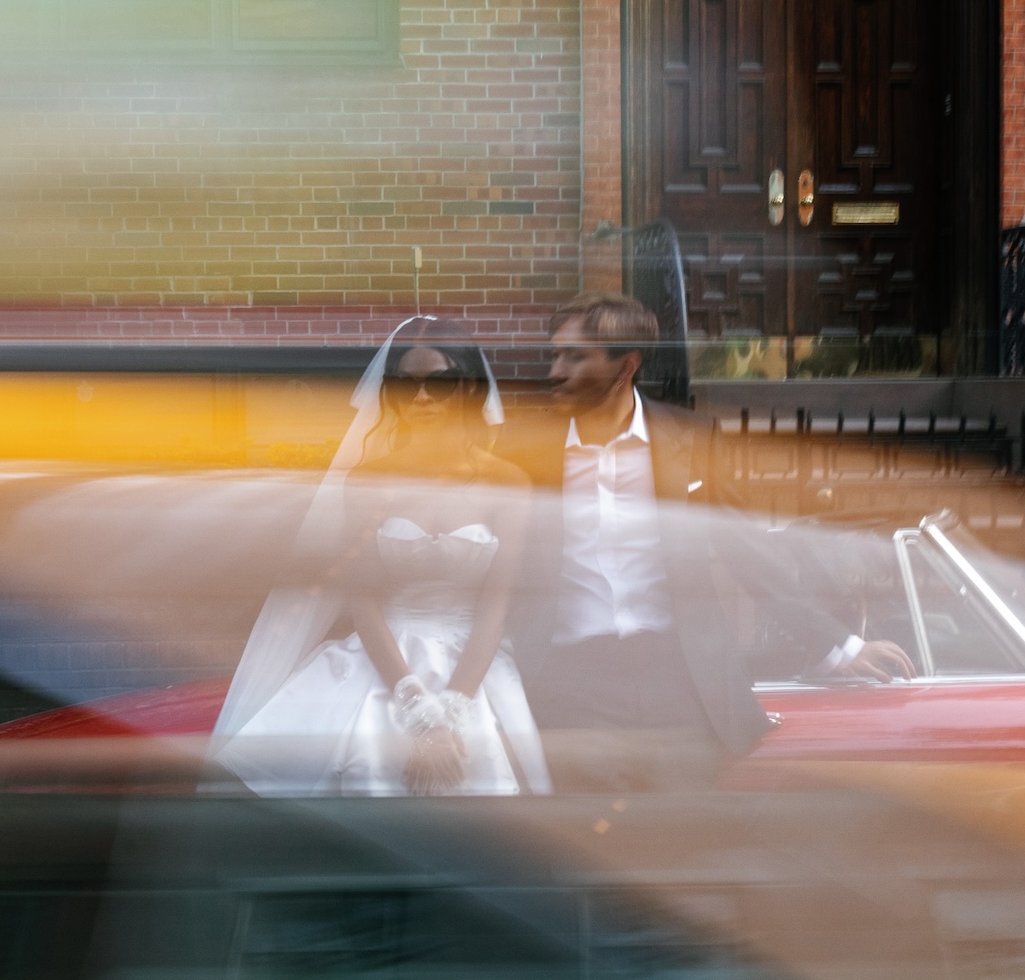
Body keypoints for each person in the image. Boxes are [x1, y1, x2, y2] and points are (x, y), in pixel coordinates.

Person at [499, 292, 911, 786]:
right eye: (554, 355)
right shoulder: (522, 449)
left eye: (575, 357)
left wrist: (838, 645)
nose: (556, 371)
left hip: (679, 680)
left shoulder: (691, 439)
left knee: (683, 835)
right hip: (568, 682)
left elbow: (744, 549)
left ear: (625, 365)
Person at [212, 318, 549, 796]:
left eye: (440, 383)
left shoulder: (508, 482)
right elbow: (364, 600)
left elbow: (496, 607)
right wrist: (415, 707)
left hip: (472, 669)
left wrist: (451, 710)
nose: (422, 398)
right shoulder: (369, 479)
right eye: (405, 385)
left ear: (469, 386)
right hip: (383, 661)